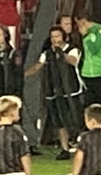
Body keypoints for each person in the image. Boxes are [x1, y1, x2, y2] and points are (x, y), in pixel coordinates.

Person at [27, 25, 84, 159]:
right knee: (58, 121)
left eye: (57, 36)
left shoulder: (73, 49)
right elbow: (38, 66)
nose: (55, 39)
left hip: (71, 90)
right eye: (52, 37)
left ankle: (80, 146)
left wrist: (60, 52)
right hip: (53, 90)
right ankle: (64, 149)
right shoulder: (47, 53)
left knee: (75, 118)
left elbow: (73, 61)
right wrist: (24, 75)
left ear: (64, 37)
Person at [75, 13, 101, 108]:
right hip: (88, 73)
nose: (78, 27)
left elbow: (94, 49)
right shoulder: (85, 32)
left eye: (78, 23)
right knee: (89, 102)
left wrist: (86, 35)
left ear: (83, 21)